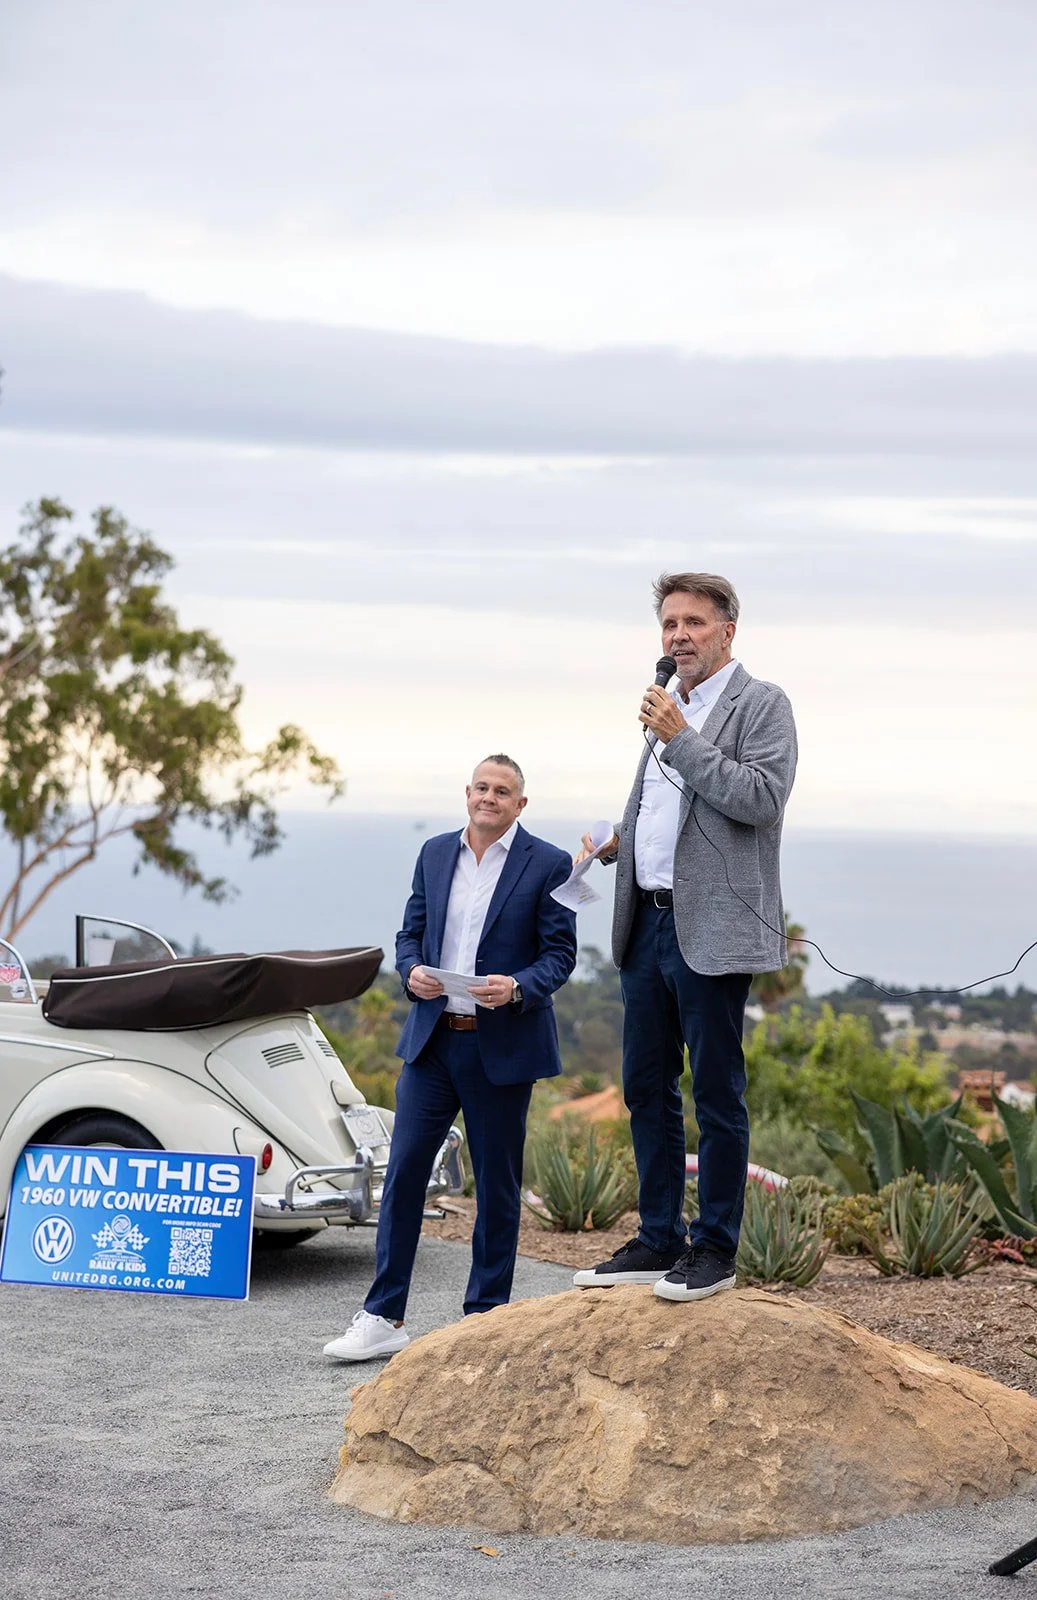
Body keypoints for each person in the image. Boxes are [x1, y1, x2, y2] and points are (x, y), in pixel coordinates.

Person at [572, 573, 797, 1303]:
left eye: (694, 623)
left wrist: (680, 738)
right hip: (647, 922)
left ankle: (716, 1249)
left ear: (727, 631)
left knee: (716, 1093)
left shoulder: (760, 704)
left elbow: (759, 800)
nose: (678, 636)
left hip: (713, 929)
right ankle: (659, 1237)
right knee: (645, 1086)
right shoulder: (670, 707)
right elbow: (663, 811)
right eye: (669, 624)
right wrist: (619, 841)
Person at [323, 754, 577, 1361]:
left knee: (497, 1187)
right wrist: (411, 970)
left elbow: (560, 955)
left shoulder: (549, 863)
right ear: (467, 793)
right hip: (432, 1042)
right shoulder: (435, 853)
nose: (490, 797)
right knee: (404, 1174)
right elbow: (409, 933)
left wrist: (516, 987)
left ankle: (484, 1322)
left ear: (520, 804)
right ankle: (383, 1316)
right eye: (481, 787)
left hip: (502, 1047)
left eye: (503, 791)